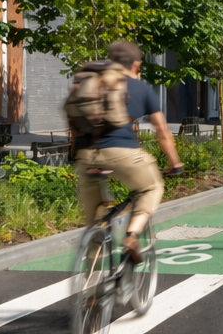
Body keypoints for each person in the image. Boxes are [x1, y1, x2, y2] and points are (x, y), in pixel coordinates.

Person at [71, 40, 184, 262]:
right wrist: (175, 162)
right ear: (135, 65)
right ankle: (131, 236)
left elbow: (73, 122)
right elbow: (161, 129)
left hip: (86, 157)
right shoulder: (138, 86)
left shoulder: (90, 83)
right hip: (122, 153)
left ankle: (90, 290)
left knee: (95, 222)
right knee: (152, 186)